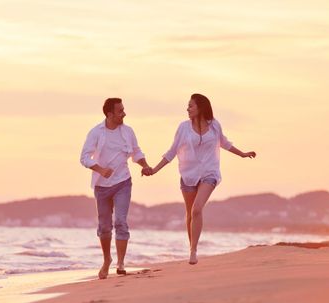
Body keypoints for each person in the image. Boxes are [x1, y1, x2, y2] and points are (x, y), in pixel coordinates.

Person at [144, 93, 256, 265]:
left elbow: (224, 143)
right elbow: (172, 152)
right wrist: (154, 170)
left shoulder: (214, 126)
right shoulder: (183, 128)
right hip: (188, 174)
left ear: (201, 108)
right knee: (190, 214)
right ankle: (192, 247)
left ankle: (193, 250)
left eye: (191, 106)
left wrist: (242, 154)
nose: (187, 109)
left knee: (197, 209)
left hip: (209, 173)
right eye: (188, 106)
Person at [80, 97, 151, 279]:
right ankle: (107, 260)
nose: (124, 113)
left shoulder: (127, 131)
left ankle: (120, 263)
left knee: (120, 221)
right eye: (120, 111)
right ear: (110, 114)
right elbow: (84, 157)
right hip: (101, 186)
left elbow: (136, 152)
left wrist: (144, 165)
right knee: (104, 226)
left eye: (123, 109)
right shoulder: (96, 132)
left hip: (123, 182)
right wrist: (100, 169)